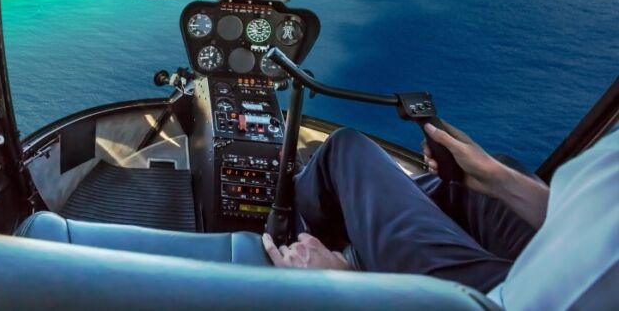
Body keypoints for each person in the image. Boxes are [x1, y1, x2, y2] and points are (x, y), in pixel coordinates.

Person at [261, 122, 618, 309]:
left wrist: (347, 288)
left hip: (499, 299)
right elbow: (595, 217)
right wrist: (496, 178)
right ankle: (370, 241)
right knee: (476, 180)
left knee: (347, 150)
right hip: (561, 261)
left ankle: (296, 234)